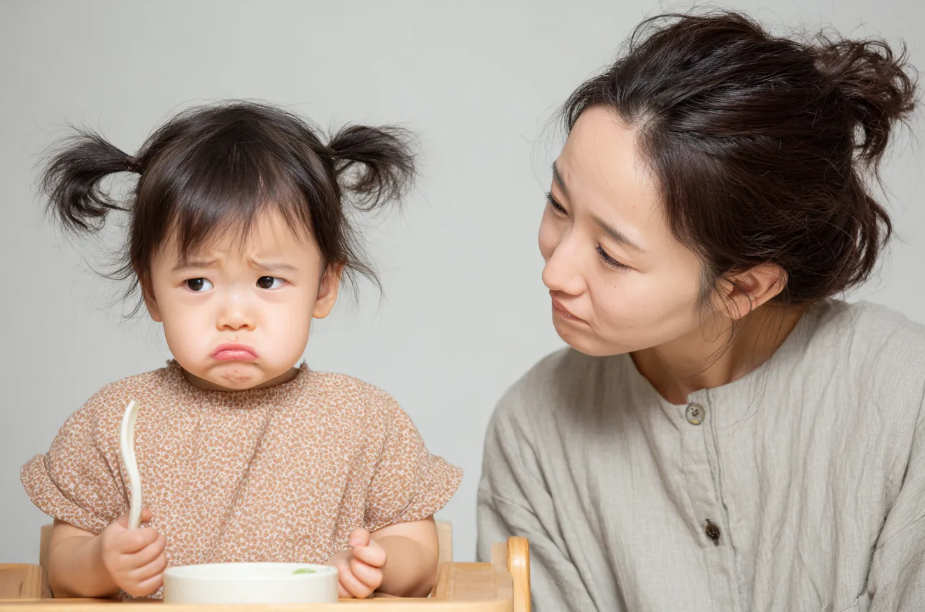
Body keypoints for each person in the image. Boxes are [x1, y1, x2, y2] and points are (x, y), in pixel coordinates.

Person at [477, 11, 922, 612]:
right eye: (558, 205)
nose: (554, 271)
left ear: (743, 289)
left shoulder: (903, 396)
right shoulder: (535, 427)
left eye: (611, 255)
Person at [21, 101, 462, 600]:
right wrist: (100, 562)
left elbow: (420, 553)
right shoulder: (116, 420)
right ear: (151, 291)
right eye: (197, 282)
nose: (234, 315)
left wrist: (377, 565)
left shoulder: (363, 420)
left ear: (322, 288)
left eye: (268, 280)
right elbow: (62, 565)